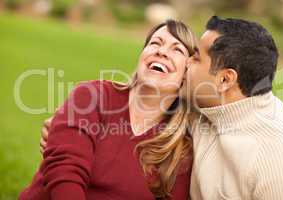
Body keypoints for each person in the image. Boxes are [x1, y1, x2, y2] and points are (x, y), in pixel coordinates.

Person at [19, 19, 198, 200]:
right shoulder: (92, 96)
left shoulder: (180, 149)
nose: (161, 51)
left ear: (187, 73)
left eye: (177, 49)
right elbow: (65, 171)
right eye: (155, 43)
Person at [181, 16, 283, 200]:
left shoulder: (281, 160)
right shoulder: (203, 107)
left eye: (196, 58)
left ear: (224, 79)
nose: (186, 62)